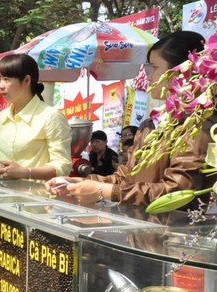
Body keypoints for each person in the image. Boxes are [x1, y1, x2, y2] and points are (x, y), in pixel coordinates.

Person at [45, 31, 215, 206]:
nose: (149, 76)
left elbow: (179, 191)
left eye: (154, 67)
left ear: (183, 71)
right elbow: (126, 176)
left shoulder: (200, 126)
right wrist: (81, 182)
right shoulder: (149, 125)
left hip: (174, 231)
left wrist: (103, 191)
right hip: (139, 228)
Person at [0, 54, 72, 180]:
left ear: (26, 80)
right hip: (3, 196)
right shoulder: (0, 118)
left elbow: (62, 165)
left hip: (39, 197)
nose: (1, 86)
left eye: (7, 79)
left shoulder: (51, 117)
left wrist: (27, 172)